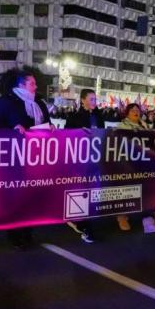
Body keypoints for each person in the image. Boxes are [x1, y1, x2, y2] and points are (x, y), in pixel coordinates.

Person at [0, 69, 51, 249]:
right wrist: (12, 128)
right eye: (32, 83)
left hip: (36, 157)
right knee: (16, 197)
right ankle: (14, 234)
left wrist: (49, 127)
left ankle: (27, 232)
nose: (35, 87)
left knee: (31, 196)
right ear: (20, 85)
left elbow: (45, 123)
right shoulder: (6, 102)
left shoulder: (39, 103)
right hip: (13, 158)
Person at [63, 88, 104, 243]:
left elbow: (102, 133)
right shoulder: (74, 117)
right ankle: (85, 227)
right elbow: (66, 135)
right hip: (80, 160)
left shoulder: (99, 116)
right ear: (83, 100)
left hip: (95, 159)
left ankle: (84, 223)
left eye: (95, 99)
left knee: (93, 192)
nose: (95, 102)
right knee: (81, 192)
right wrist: (79, 133)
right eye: (92, 99)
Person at [115, 103, 155, 234]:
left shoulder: (144, 124)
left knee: (145, 191)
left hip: (143, 163)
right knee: (126, 191)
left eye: (138, 110)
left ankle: (148, 221)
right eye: (133, 110)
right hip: (128, 163)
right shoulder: (122, 125)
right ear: (127, 113)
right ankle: (122, 217)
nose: (136, 112)